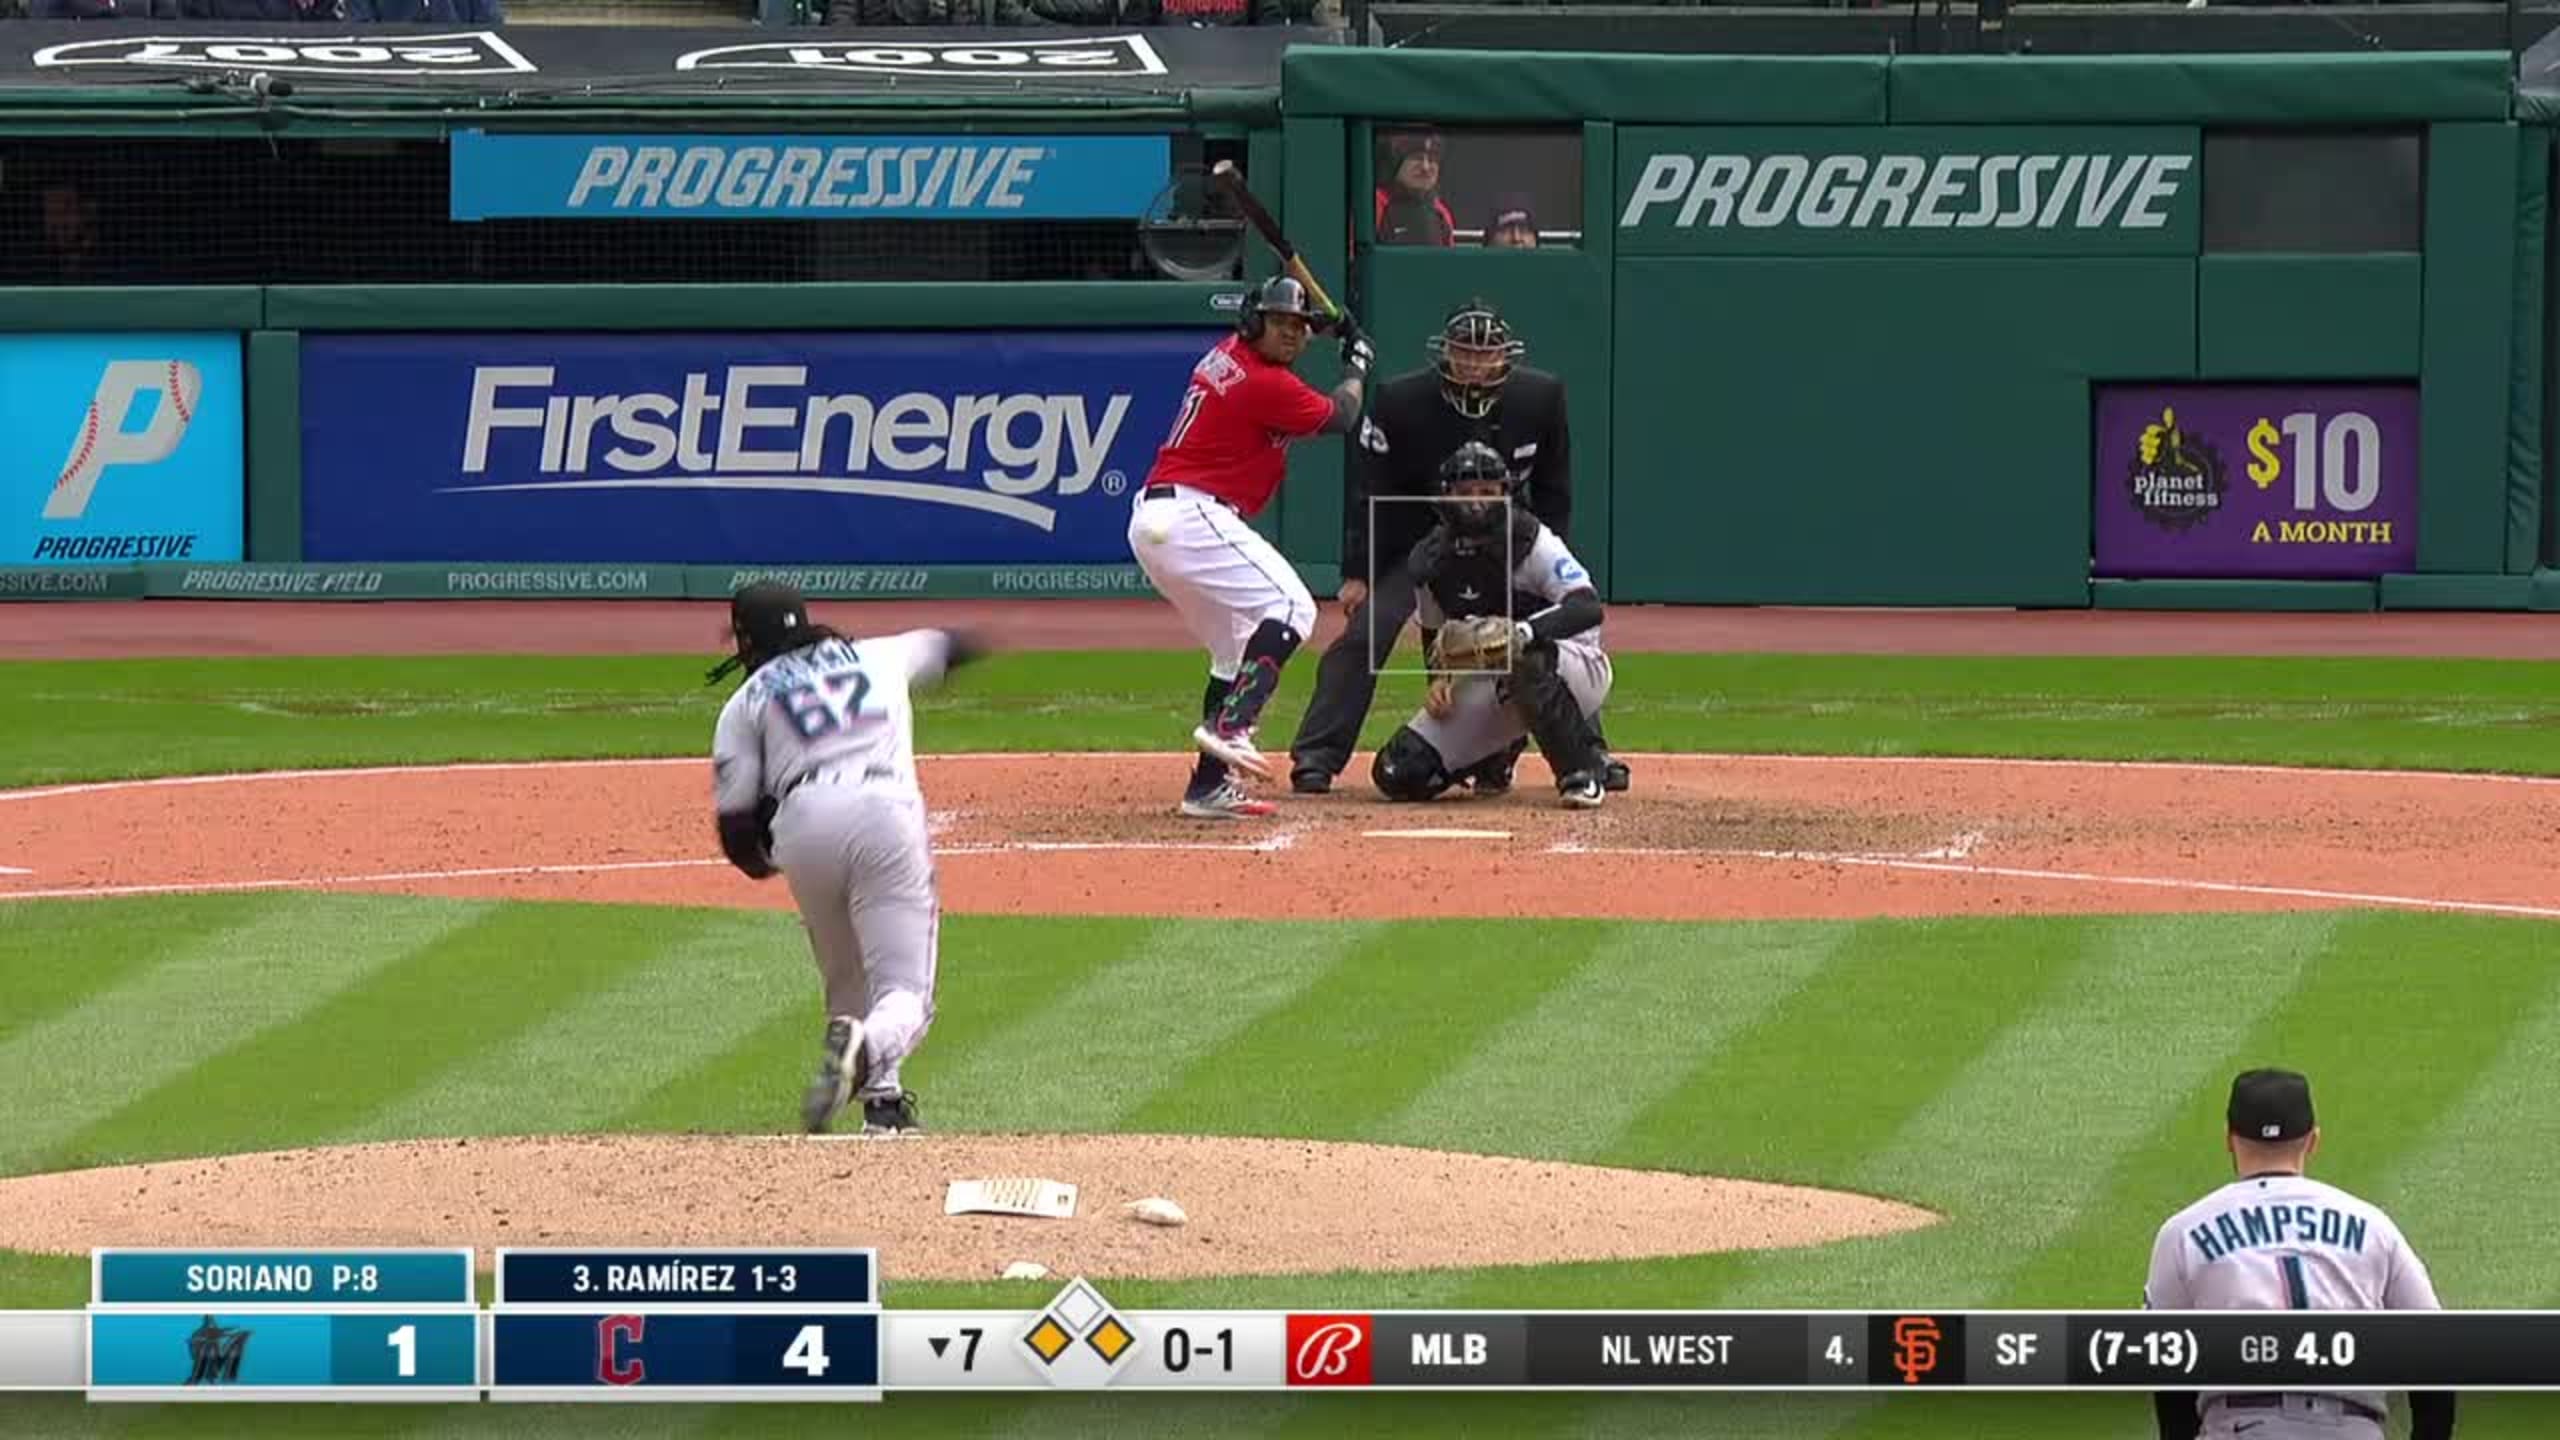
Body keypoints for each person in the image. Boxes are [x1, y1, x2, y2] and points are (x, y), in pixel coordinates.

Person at [1288, 298, 1625, 797]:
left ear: (1505, 356)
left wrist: (1552, 561)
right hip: (1417, 542)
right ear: (1444, 352)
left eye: (1485, 353)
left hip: (1505, 542)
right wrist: (1359, 571)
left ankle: (1586, 750)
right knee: (1366, 634)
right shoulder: (1400, 400)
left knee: (1541, 644)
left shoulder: (1540, 397)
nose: (1474, 363)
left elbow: (1555, 492)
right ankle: (1317, 756)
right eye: (1464, 351)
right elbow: (1369, 489)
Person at [705, 581, 988, 1137]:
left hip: (803, 823)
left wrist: (773, 857)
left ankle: (883, 1107)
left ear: (745, 640)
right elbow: (953, 645)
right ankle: (867, 1056)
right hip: (884, 812)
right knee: (904, 993)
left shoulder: (745, 702)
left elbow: (736, 832)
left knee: (847, 980)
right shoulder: (880, 653)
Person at [1129, 274, 1373, 819]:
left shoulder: (1230, 354)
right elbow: (1342, 414)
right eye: (1278, 322)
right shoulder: (1266, 384)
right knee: (1293, 606)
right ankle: (1233, 725)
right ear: (1251, 322)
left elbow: (1294, 356)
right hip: (1192, 514)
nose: (1290, 333)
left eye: (1298, 326)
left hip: (1161, 520)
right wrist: (1357, 363)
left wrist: (1331, 327)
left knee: (1235, 651)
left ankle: (1208, 787)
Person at [2144, 1069, 2455, 1440]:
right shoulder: (2373, 1226)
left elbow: (2168, 1364)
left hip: (2241, 1427)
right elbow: (2436, 1349)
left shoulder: (2184, 1231)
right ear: (2313, 1141)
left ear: (2229, 1139)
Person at [1370, 442, 1616, 808]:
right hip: (1493, 678)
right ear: (1446, 495)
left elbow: (1586, 607)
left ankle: (1580, 771)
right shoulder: (1431, 559)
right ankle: (1496, 757)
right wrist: (1438, 680)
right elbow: (1434, 632)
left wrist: (1522, 632)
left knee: (1523, 657)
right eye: (1465, 492)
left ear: (1505, 493)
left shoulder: (1531, 540)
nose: (1476, 502)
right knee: (1398, 771)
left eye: (1486, 491)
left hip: (1574, 667)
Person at [1374, 129, 1455, 247]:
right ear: (1396, 163)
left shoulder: (1440, 213)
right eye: (1417, 158)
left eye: (1432, 159)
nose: (1425, 167)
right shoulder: (1374, 205)